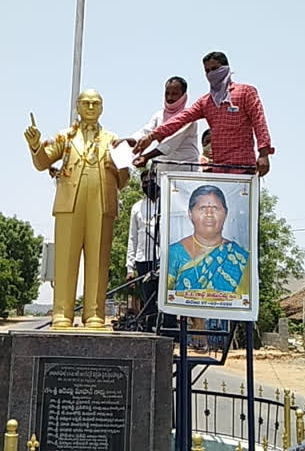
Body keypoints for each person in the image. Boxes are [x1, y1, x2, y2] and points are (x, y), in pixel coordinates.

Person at [24, 89, 130, 329]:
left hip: (102, 204)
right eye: (86, 103)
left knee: (98, 260)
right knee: (65, 260)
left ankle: (94, 313)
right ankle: (62, 313)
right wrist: (35, 145)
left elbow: (124, 181)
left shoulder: (113, 140)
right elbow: (43, 163)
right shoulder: (65, 137)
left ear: (102, 108)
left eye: (96, 104)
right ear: (77, 107)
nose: (91, 108)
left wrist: (118, 165)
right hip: (69, 203)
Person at [133, 52, 273, 176]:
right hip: (219, 169)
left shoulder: (245, 92)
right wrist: (152, 136)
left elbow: (259, 122)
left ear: (226, 69)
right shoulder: (206, 102)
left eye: (215, 69)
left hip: (243, 168)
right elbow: (181, 119)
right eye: (207, 71)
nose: (211, 74)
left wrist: (264, 153)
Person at [166, 185, 250, 294]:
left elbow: (244, 300)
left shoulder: (241, 257)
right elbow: (166, 295)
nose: (209, 214)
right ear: (190, 214)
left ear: (225, 213)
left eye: (215, 208)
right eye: (202, 208)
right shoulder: (175, 252)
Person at [117, 76, 199, 172]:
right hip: (163, 171)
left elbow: (170, 144)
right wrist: (127, 141)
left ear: (183, 95)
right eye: (167, 93)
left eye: (174, 94)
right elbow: (145, 133)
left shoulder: (188, 118)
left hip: (185, 171)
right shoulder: (159, 115)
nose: (170, 98)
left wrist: (146, 157)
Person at [126, 170, 160, 315]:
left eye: (151, 181)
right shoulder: (137, 207)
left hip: (161, 258)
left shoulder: (166, 203)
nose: (148, 185)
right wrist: (129, 267)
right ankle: (150, 331)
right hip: (143, 259)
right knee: (148, 302)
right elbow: (132, 238)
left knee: (164, 298)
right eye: (144, 182)